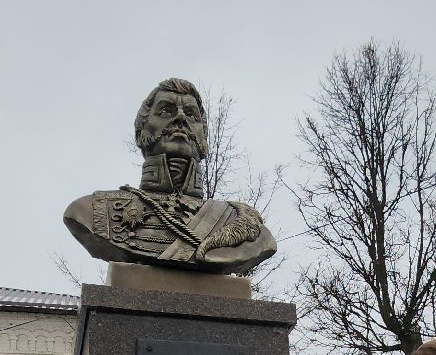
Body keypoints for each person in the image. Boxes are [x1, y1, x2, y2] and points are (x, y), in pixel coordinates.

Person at [62, 77, 276, 275]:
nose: (181, 118)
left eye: (192, 115)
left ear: (204, 137)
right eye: (166, 111)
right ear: (140, 134)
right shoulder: (91, 211)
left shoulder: (242, 223)